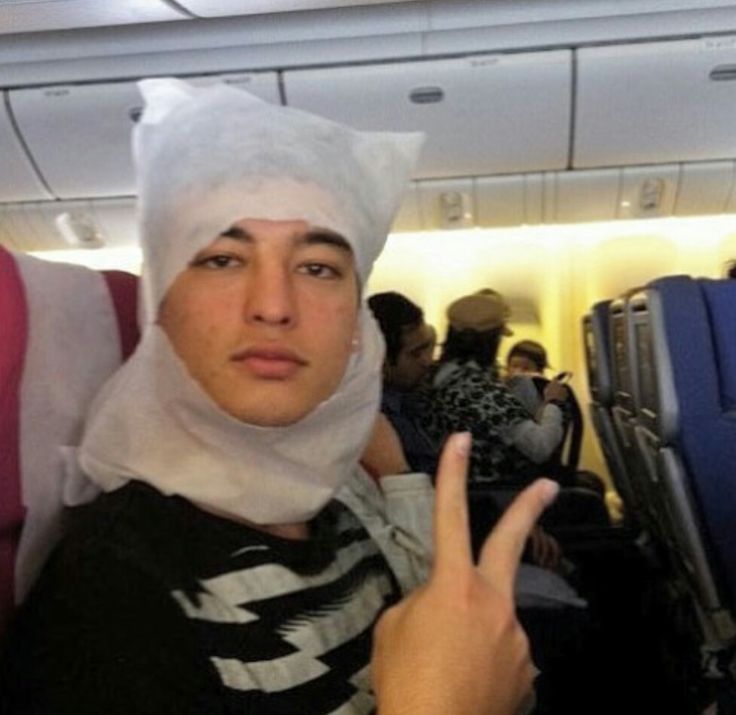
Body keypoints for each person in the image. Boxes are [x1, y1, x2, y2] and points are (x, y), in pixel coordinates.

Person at [0, 78, 557, 715]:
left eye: (318, 267)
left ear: (356, 326)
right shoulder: (111, 607)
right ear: (162, 308)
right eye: (221, 259)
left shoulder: (330, 495)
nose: (272, 305)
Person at [418, 292, 569, 484]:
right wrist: (553, 402)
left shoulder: (435, 376)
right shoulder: (480, 389)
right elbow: (541, 447)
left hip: (456, 484)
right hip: (495, 492)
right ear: (491, 341)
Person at [368, 291, 439, 475]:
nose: (427, 361)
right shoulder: (373, 418)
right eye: (415, 354)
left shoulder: (405, 402)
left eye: (427, 348)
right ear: (381, 358)